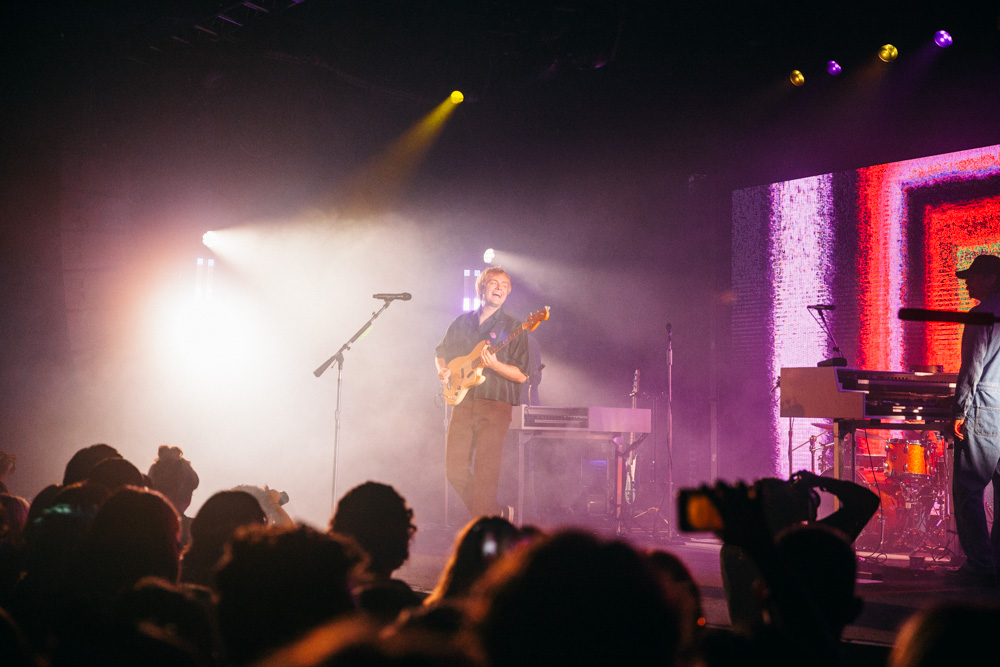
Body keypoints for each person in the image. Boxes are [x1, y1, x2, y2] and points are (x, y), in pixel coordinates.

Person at [435, 267, 529, 518]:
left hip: (496, 404)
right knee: (454, 470)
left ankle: (484, 531)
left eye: (505, 285)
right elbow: (441, 352)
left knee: (487, 472)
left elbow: (522, 374)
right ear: (481, 288)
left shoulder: (515, 326)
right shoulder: (461, 322)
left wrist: (495, 365)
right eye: (493, 283)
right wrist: (443, 371)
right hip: (463, 402)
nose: (499, 288)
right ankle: (496, 514)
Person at [951, 253, 1000, 586]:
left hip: (984, 409)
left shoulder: (980, 315)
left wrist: (959, 411)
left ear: (991, 278)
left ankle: (980, 563)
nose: (967, 282)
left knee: (968, 489)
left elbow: (972, 368)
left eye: (972, 276)